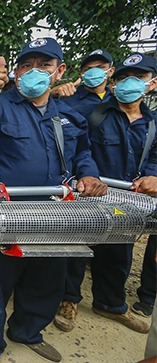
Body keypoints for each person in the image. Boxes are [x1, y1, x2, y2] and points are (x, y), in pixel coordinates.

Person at [0, 38, 108, 363]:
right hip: (9, 215)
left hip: (55, 216)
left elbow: (82, 153)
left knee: (46, 281)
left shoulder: (67, 115)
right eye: (26, 66)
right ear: (16, 71)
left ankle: (27, 332)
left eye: (44, 65)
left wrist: (89, 174)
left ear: (60, 71)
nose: (34, 72)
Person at [55, 53, 156, 335]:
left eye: (138, 78)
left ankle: (110, 303)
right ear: (113, 83)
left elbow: (154, 156)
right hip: (92, 195)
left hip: (131, 199)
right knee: (78, 250)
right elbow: (77, 148)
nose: (129, 83)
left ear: (152, 84)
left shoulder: (152, 122)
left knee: (120, 251)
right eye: (123, 78)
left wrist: (153, 176)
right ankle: (68, 300)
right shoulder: (94, 113)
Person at [50, 49, 114, 116]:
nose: (94, 72)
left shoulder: (117, 99)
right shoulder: (66, 99)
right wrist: (51, 93)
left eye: (100, 67)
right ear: (81, 74)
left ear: (111, 71)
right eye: (88, 69)